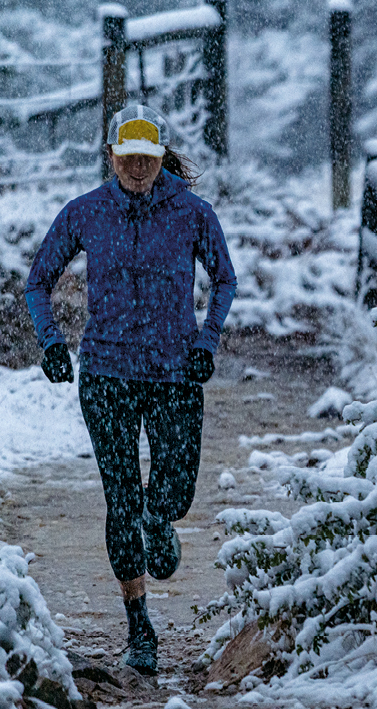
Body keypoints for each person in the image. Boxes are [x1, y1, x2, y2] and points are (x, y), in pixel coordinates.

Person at [24, 103, 236, 675]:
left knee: (171, 495)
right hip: (107, 374)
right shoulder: (86, 213)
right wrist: (51, 342)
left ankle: (159, 516)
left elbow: (225, 279)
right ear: (111, 157)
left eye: (147, 159)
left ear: (161, 156)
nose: (138, 170)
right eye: (128, 159)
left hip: (175, 373)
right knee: (121, 497)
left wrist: (205, 343)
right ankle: (139, 625)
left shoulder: (192, 214)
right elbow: (38, 281)